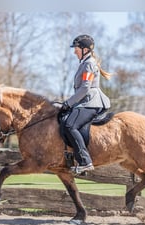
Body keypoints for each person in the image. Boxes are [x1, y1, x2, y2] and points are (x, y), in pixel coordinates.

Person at [61, 34, 111, 175]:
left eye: (76, 48)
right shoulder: (85, 63)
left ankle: (85, 161)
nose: (74, 51)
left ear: (84, 49)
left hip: (91, 102)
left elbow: (85, 88)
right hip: (84, 102)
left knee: (70, 125)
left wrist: (68, 103)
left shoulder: (89, 64)